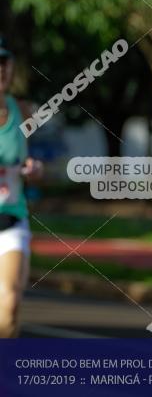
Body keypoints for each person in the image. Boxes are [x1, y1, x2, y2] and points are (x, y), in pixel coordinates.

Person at [0, 37, 43, 338]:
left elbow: (34, 162)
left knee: (10, 303)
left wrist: (35, 169)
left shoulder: (23, 110)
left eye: (4, 64)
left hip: (11, 220)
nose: (0, 71)